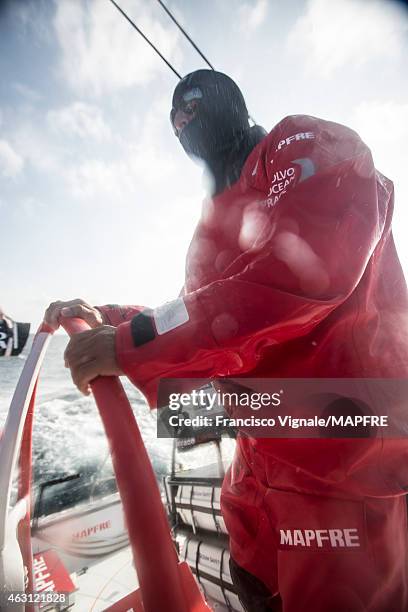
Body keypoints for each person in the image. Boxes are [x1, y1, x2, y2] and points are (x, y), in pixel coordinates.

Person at [44, 70, 408, 611]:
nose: (181, 120)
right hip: (255, 475)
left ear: (232, 101)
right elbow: (201, 320)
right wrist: (111, 319)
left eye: (190, 102)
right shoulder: (214, 224)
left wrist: (126, 345)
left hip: (342, 473)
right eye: (172, 115)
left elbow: (300, 278)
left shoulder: (306, 144)